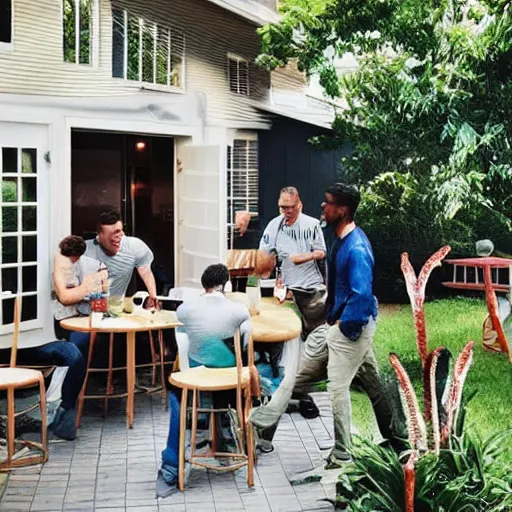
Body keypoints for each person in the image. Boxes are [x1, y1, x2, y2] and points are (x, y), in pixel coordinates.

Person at [156, 264, 251, 497]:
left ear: (203, 285)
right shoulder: (239, 311)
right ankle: (231, 441)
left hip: (196, 379)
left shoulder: (184, 310)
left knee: (177, 393)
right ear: (226, 285)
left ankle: (171, 466)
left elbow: (180, 340)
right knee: (253, 372)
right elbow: (246, 344)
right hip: (229, 383)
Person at [321, 182, 381, 467]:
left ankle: (343, 454)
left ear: (342, 210)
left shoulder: (356, 248)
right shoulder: (338, 238)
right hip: (347, 323)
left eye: (328, 202)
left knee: (337, 389)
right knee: (375, 384)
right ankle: (400, 437)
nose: (323, 206)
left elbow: (362, 293)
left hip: (352, 328)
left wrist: (345, 328)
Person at [259, 187, 327, 336]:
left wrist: (300, 257)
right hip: (285, 290)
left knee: (315, 335)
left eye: (291, 207)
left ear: (299, 205)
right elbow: (264, 255)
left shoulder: (312, 225)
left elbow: (321, 252)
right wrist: (268, 272)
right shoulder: (273, 226)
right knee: (287, 333)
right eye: (283, 207)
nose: (287, 211)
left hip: (310, 290)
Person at [84, 207, 159, 307]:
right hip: (85, 310)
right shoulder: (85, 252)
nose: (119, 236)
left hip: (115, 308)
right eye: (113, 233)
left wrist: (153, 297)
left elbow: (146, 271)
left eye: (119, 231)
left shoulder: (134, 246)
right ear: (99, 236)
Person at [52, 235, 108, 358]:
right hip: (63, 317)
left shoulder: (94, 266)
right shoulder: (58, 266)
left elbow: (103, 291)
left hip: (87, 314)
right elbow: (63, 297)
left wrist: (99, 311)